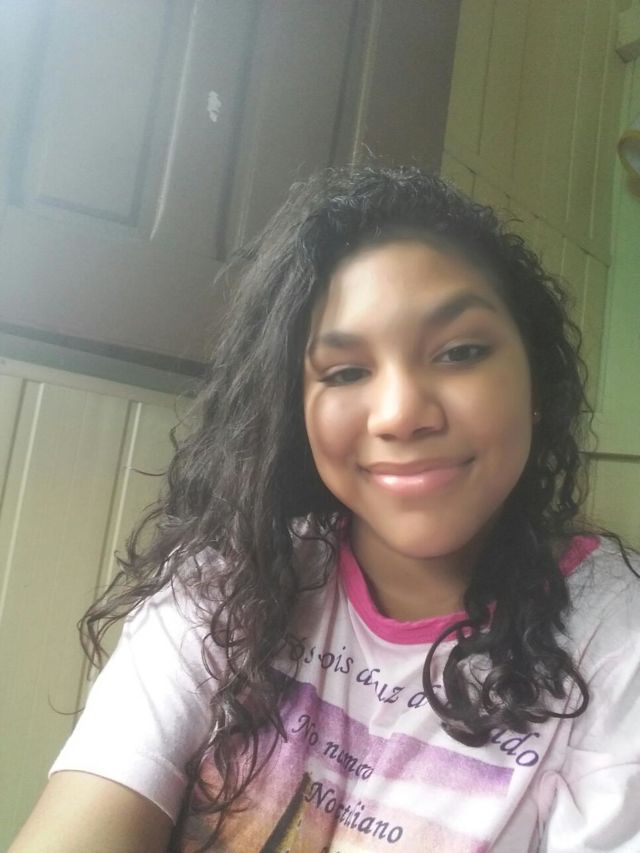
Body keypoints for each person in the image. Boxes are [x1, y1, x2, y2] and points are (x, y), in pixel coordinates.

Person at [11, 166, 640, 853]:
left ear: (535, 381)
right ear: (297, 409)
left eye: (460, 352)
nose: (400, 414)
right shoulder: (228, 582)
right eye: (344, 371)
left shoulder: (618, 647)